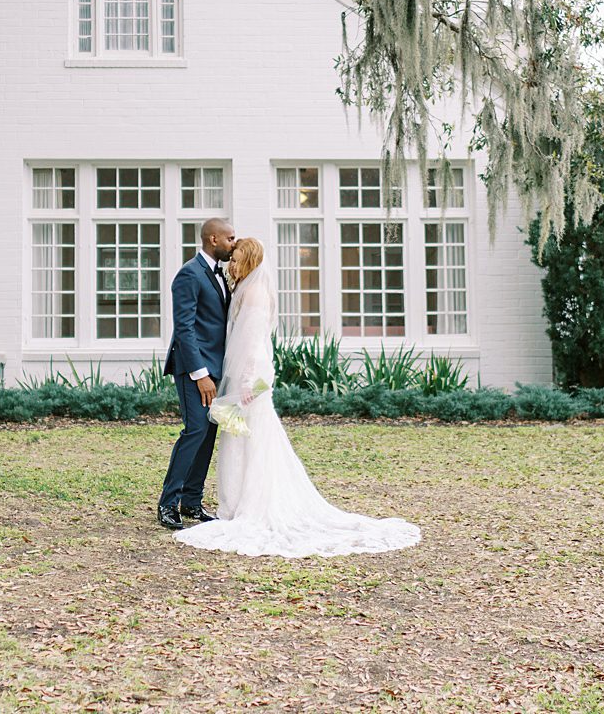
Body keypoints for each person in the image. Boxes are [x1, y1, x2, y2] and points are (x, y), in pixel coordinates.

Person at [173, 237, 422, 557]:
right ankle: (236, 503)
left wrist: (247, 385)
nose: (230, 263)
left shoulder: (255, 293)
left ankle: (248, 503)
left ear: (246, 259)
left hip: (252, 373)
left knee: (248, 437)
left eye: (234, 257)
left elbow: (251, 342)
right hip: (248, 370)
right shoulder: (245, 288)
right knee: (243, 438)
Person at [157, 217, 236, 530]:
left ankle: (191, 502)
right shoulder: (189, 274)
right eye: (230, 238)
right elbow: (185, 328)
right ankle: (167, 504)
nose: (234, 243)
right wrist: (200, 374)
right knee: (194, 431)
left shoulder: (220, 274)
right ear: (213, 239)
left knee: (208, 434)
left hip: (217, 369)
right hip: (195, 369)